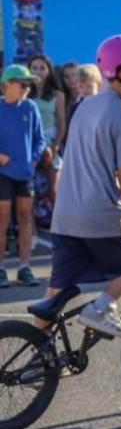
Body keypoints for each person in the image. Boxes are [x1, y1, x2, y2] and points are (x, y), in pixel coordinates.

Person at [40, 35, 121, 339]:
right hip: (101, 216)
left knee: (54, 293)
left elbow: (98, 162)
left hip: (66, 216)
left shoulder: (85, 106)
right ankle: (102, 307)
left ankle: (36, 354)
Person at [0, 64, 46, 287]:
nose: (27, 88)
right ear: (6, 85)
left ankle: (24, 267)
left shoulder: (31, 108)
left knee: (26, 217)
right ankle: (0, 268)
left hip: (25, 174)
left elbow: (40, 140)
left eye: (29, 84)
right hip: (3, 174)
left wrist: (34, 159)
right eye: (22, 83)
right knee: (2, 220)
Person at [26, 54, 67, 208]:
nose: (38, 71)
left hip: (51, 140)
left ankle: (59, 224)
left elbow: (62, 123)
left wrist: (55, 147)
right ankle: (32, 227)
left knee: (54, 185)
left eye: (42, 68)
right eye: (34, 68)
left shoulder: (58, 94)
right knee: (28, 187)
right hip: (30, 141)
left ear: (49, 70)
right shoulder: (25, 93)